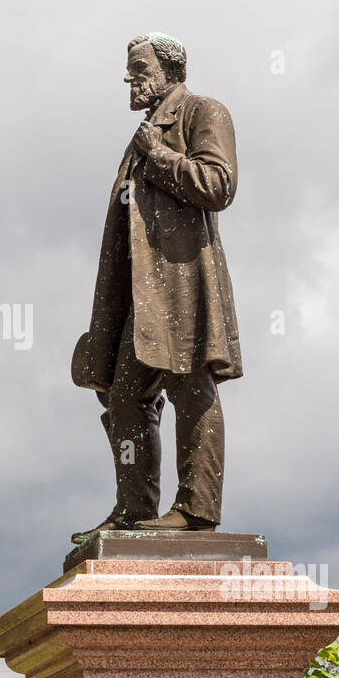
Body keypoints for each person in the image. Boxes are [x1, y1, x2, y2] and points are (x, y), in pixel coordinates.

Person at [70, 32, 242, 544]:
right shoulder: (143, 133)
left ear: (170, 69)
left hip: (182, 284)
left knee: (191, 385)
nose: (129, 77)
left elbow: (218, 186)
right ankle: (134, 509)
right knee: (123, 397)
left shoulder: (202, 112)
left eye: (138, 67)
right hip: (140, 297)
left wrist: (160, 154)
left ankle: (196, 509)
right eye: (129, 68)